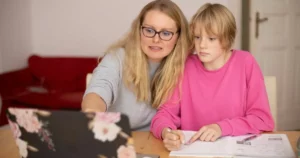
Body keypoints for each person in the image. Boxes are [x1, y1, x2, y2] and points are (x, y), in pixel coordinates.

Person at [150, 3, 275, 150]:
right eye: (197, 37)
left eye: (211, 38)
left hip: (236, 151)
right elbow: (164, 114)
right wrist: (167, 132)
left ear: (227, 39)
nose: (202, 45)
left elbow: (262, 120)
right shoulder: (185, 66)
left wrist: (221, 128)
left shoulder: (246, 62)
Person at [81, 0, 191, 131]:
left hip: (158, 141)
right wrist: (94, 114)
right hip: (117, 137)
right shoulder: (117, 58)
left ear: (179, 36)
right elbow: (99, 89)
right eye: (149, 30)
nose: (156, 39)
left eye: (166, 33)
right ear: (139, 30)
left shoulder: (186, 66)